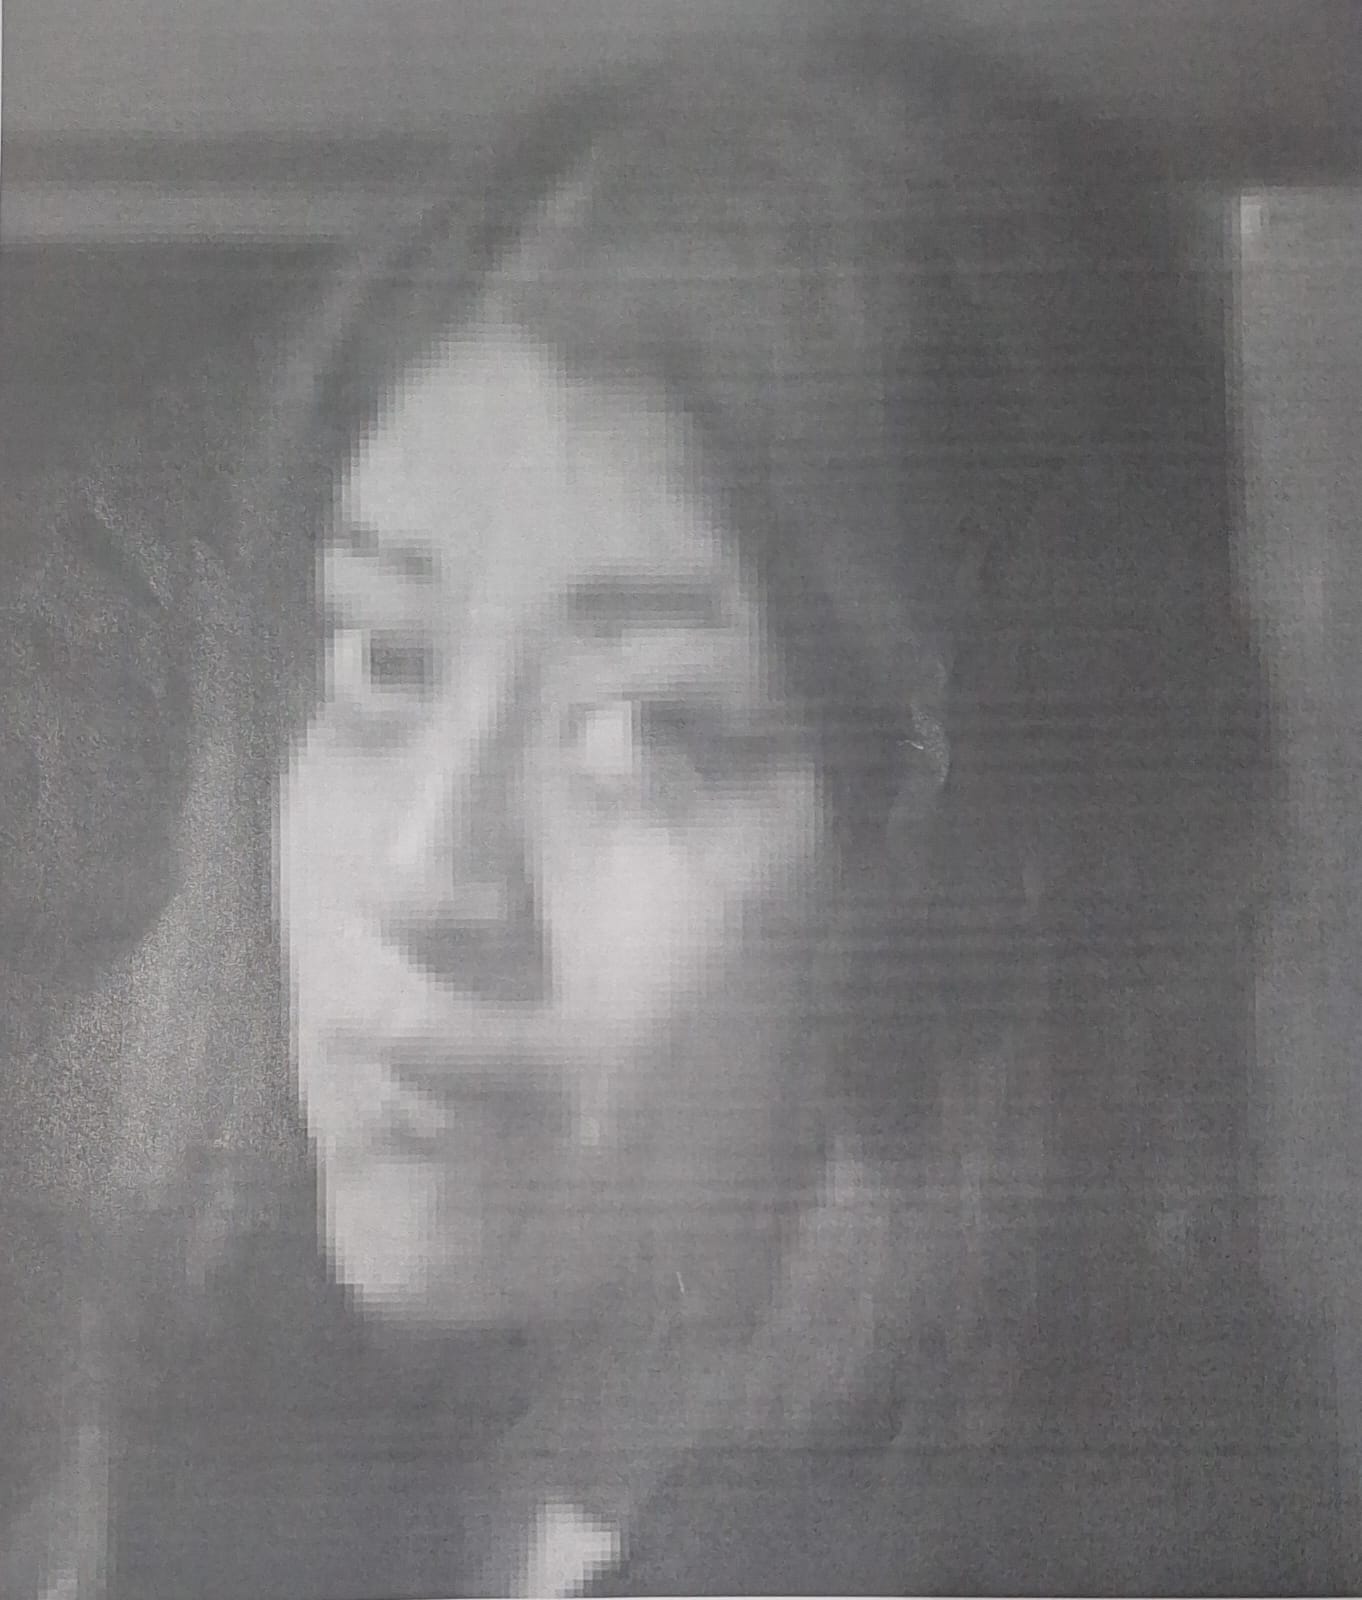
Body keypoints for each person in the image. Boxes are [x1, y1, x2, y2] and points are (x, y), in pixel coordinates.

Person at [14, 19, 1350, 1598]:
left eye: (655, 731)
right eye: (384, 660)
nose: (425, 873)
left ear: (992, 876)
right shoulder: (282, 1421)